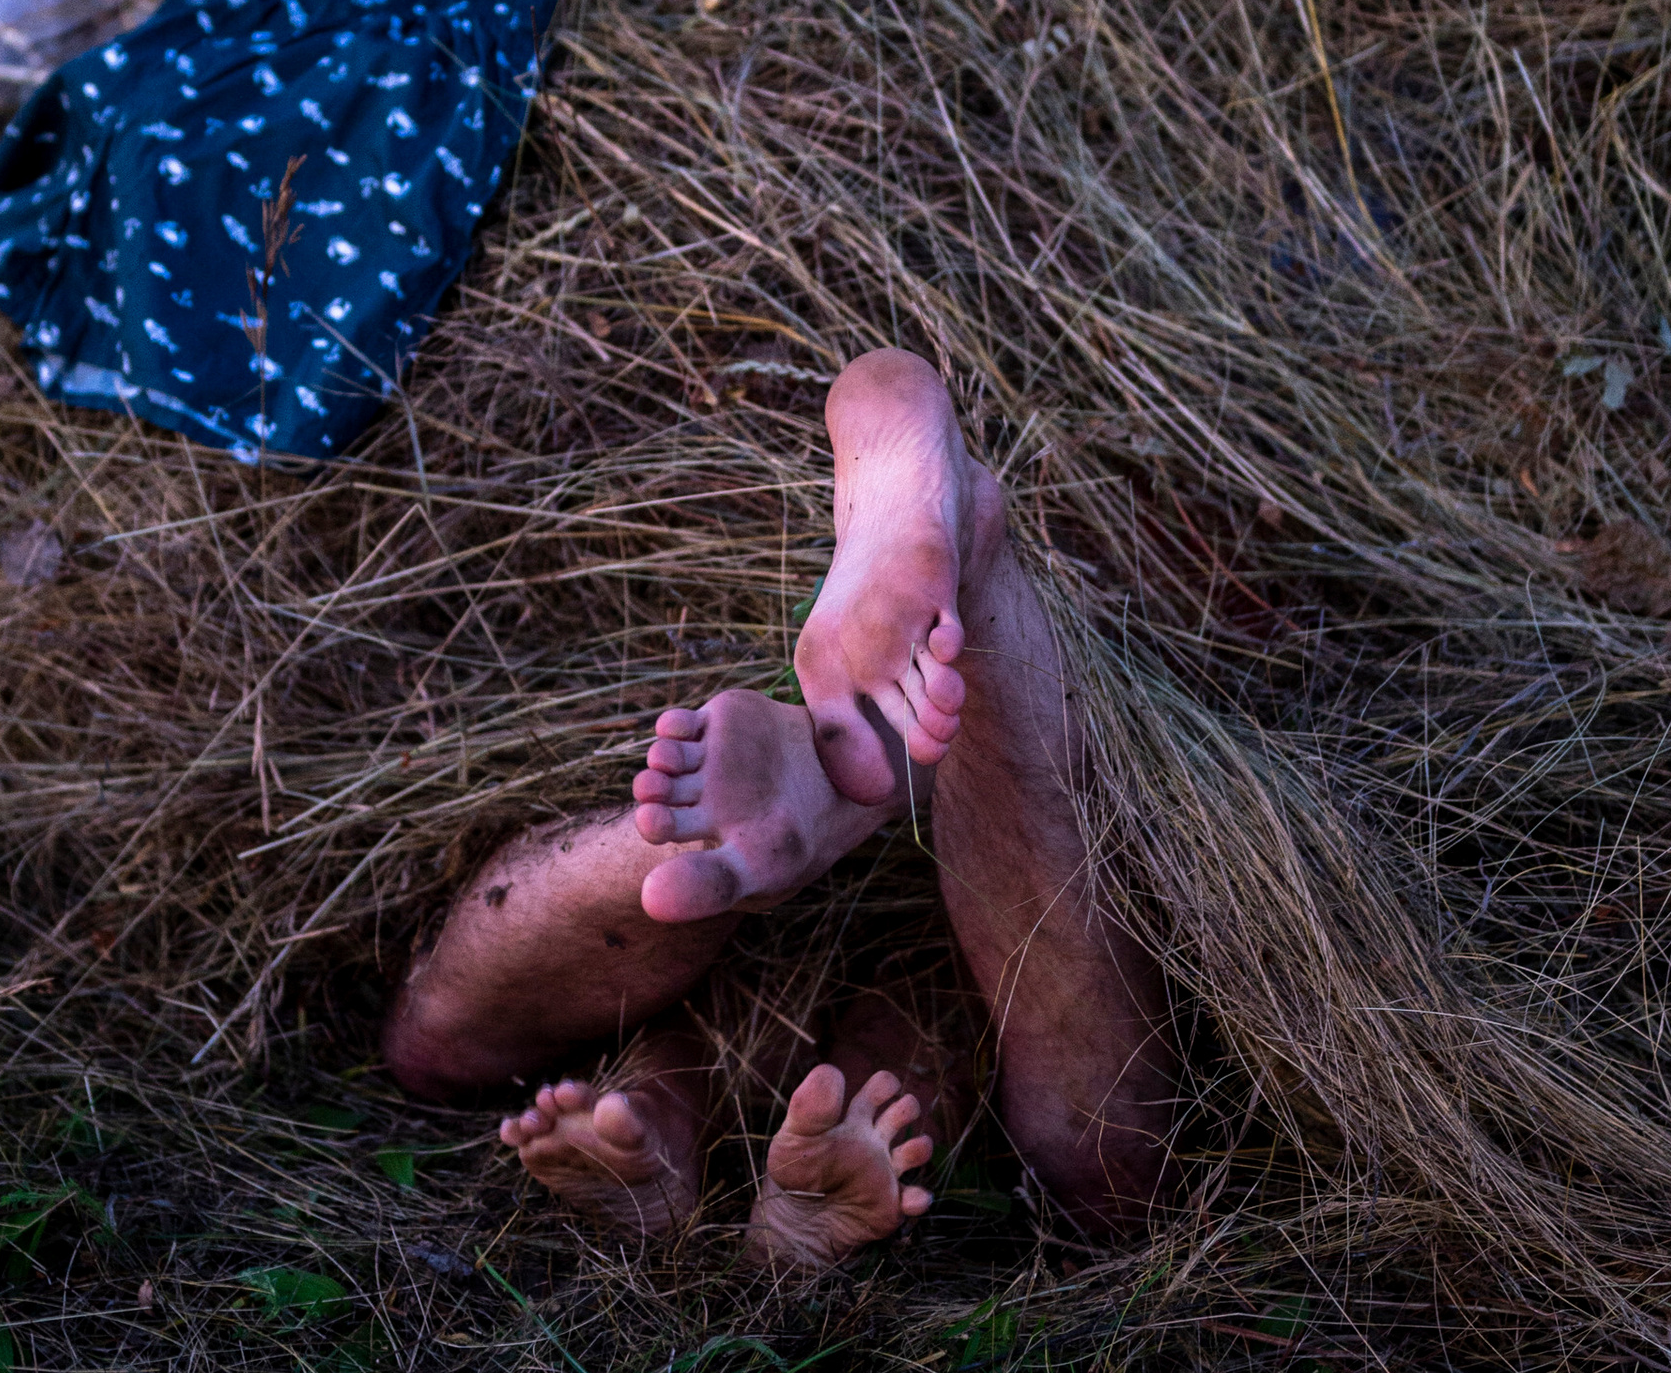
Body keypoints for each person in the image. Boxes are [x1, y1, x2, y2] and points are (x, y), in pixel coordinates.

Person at [382, 351, 1173, 1269]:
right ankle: (969, 608)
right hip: (963, 949)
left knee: (435, 1051)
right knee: (1102, 1181)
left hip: (736, 992)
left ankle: (675, 1067)